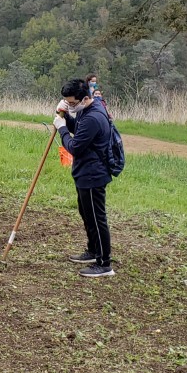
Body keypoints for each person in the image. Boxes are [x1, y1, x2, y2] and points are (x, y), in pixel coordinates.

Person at [55, 78, 114, 278]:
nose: (71, 106)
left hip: (92, 174)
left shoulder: (93, 117)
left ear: (85, 98)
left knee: (97, 218)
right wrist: (65, 119)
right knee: (86, 214)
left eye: (72, 103)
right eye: (68, 103)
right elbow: (78, 132)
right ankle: (93, 251)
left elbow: (74, 147)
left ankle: (104, 263)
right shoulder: (85, 111)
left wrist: (61, 128)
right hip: (84, 172)